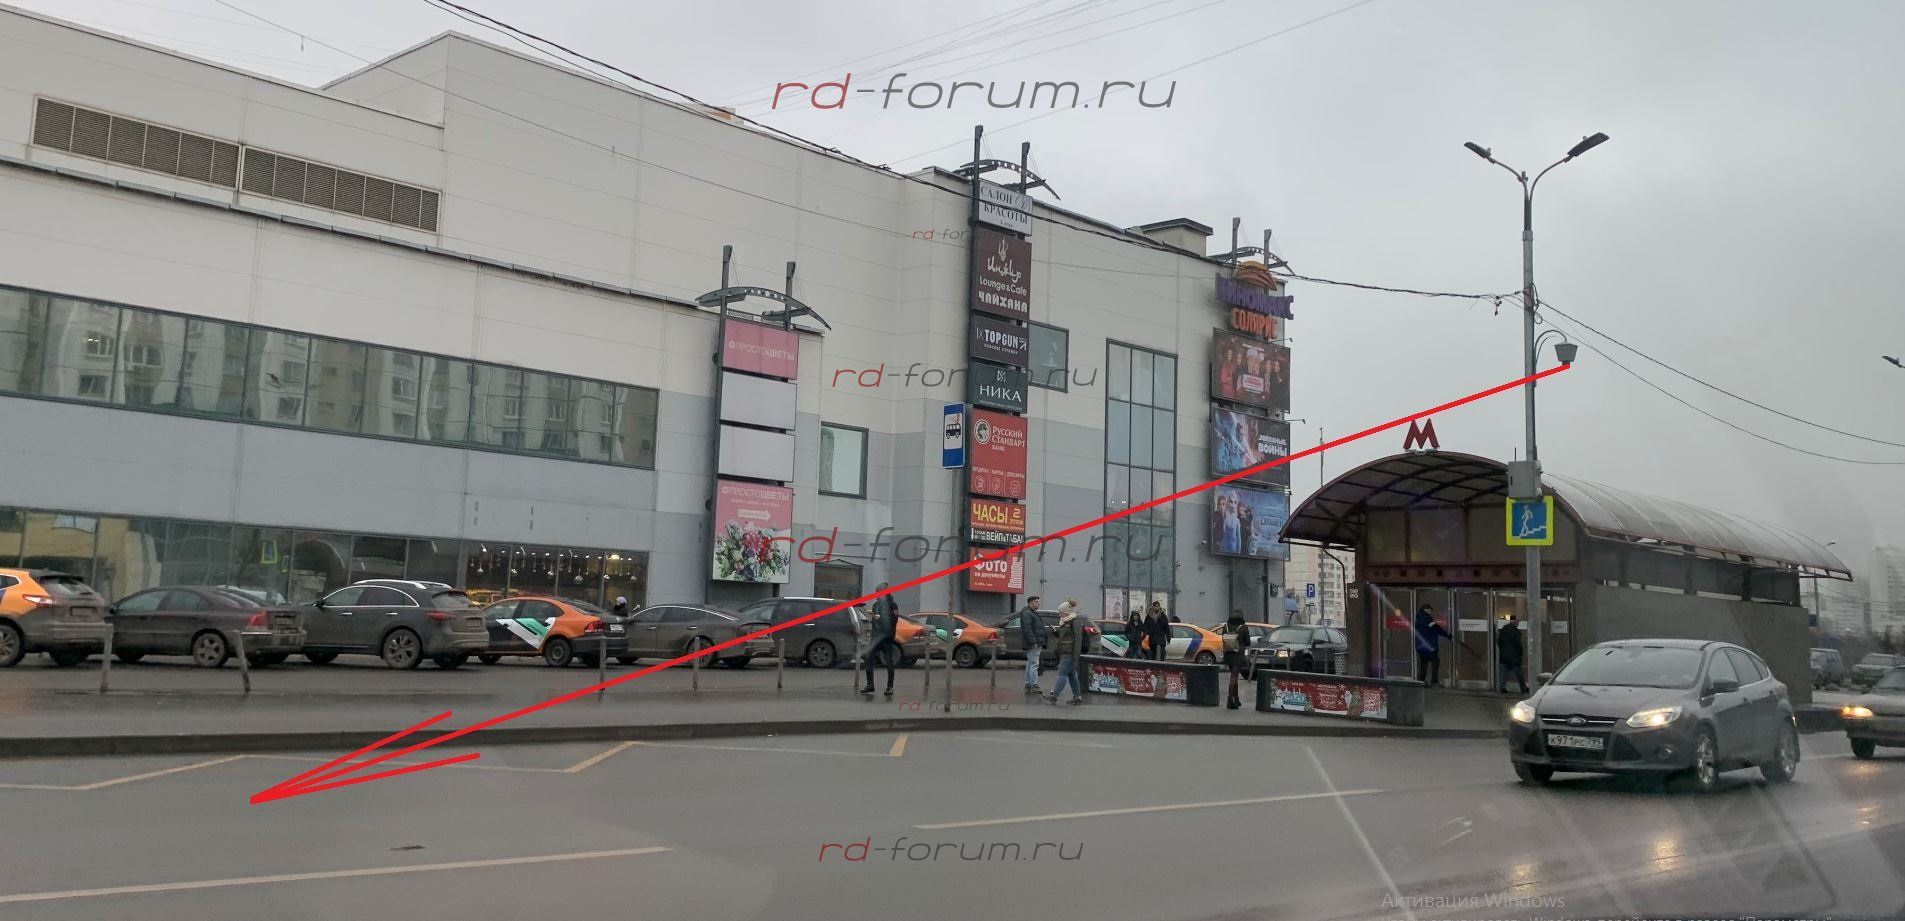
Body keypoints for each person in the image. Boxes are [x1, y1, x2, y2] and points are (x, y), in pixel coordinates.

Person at [860, 584, 902, 697]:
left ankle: (889, 687)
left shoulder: (892, 605)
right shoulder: (876, 605)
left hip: (887, 637)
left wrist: (881, 618)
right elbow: (875, 621)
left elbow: (894, 620)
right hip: (876, 637)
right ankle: (870, 685)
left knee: (889, 662)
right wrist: (873, 617)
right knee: (868, 658)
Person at [1045, 599, 1088, 705]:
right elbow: (1064, 636)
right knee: (1071, 675)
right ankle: (1077, 697)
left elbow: (1078, 638)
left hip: (1070, 652)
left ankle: (1054, 696)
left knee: (1062, 674)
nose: (1060, 614)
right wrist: (1056, 632)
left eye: (1061, 612)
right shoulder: (1065, 621)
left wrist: (1076, 654)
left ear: (1066, 612)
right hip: (1065, 651)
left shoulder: (1074, 621)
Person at [1414, 604, 1452, 687]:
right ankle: (1434, 682)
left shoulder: (1418, 618)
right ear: (1426, 609)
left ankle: (1421, 682)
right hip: (1430, 645)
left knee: (1423, 664)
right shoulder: (1427, 619)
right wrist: (1447, 635)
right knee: (1435, 662)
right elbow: (1437, 629)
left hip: (1420, 646)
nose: (1430, 611)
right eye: (1430, 610)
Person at [1223, 609, 1252, 709]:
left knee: (1234, 676)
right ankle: (1229, 700)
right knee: (1234, 678)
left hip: (1228, 655)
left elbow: (1223, 638)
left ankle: (1236, 699)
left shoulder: (1226, 626)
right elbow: (1248, 642)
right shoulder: (1243, 627)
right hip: (1238, 655)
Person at [1016, 595, 1045, 691]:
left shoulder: (1031, 613)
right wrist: (1033, 641)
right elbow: (1027, 629)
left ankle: (1028, 682)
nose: (1038, 603)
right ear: (1031, 602)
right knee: (1034, 663)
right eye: (1036, 601)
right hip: (1034, 642)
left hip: (1035, 641)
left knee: (1030, 662)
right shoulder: (1027, 613)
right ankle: (1034, 684)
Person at [1497, 614, 1529, 694]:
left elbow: (1499, 642)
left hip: (1504, 655)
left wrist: (1503, 650)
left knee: (1503, 672)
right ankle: (1523, 688)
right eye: (1518, 622)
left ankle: (1502, 688)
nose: (1518, 623)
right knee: (1518, 672)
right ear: (1515, 621)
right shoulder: (1516, 631)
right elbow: (1518, 644)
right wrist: (1520, 652)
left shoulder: (1503, 629)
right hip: (1514, 656)